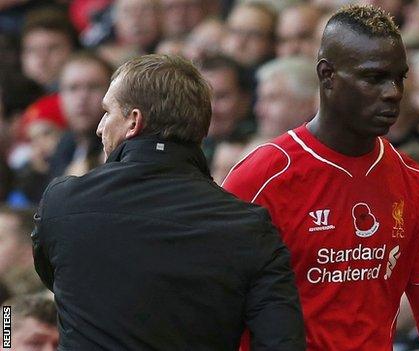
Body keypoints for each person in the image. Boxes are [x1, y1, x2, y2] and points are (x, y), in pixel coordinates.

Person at [223, 5, 419, 350]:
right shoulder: (261, 179)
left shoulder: (416, 185)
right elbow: (211, 309)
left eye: (399, 78)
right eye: (374, 78)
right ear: (328, 76)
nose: (393, 92)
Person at [32, 54, 304, 350]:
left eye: (107, 112)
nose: (99, 127)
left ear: (134, 122)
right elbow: (282, 342)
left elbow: (50, 282)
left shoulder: (62, 203)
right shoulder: (250, 227)